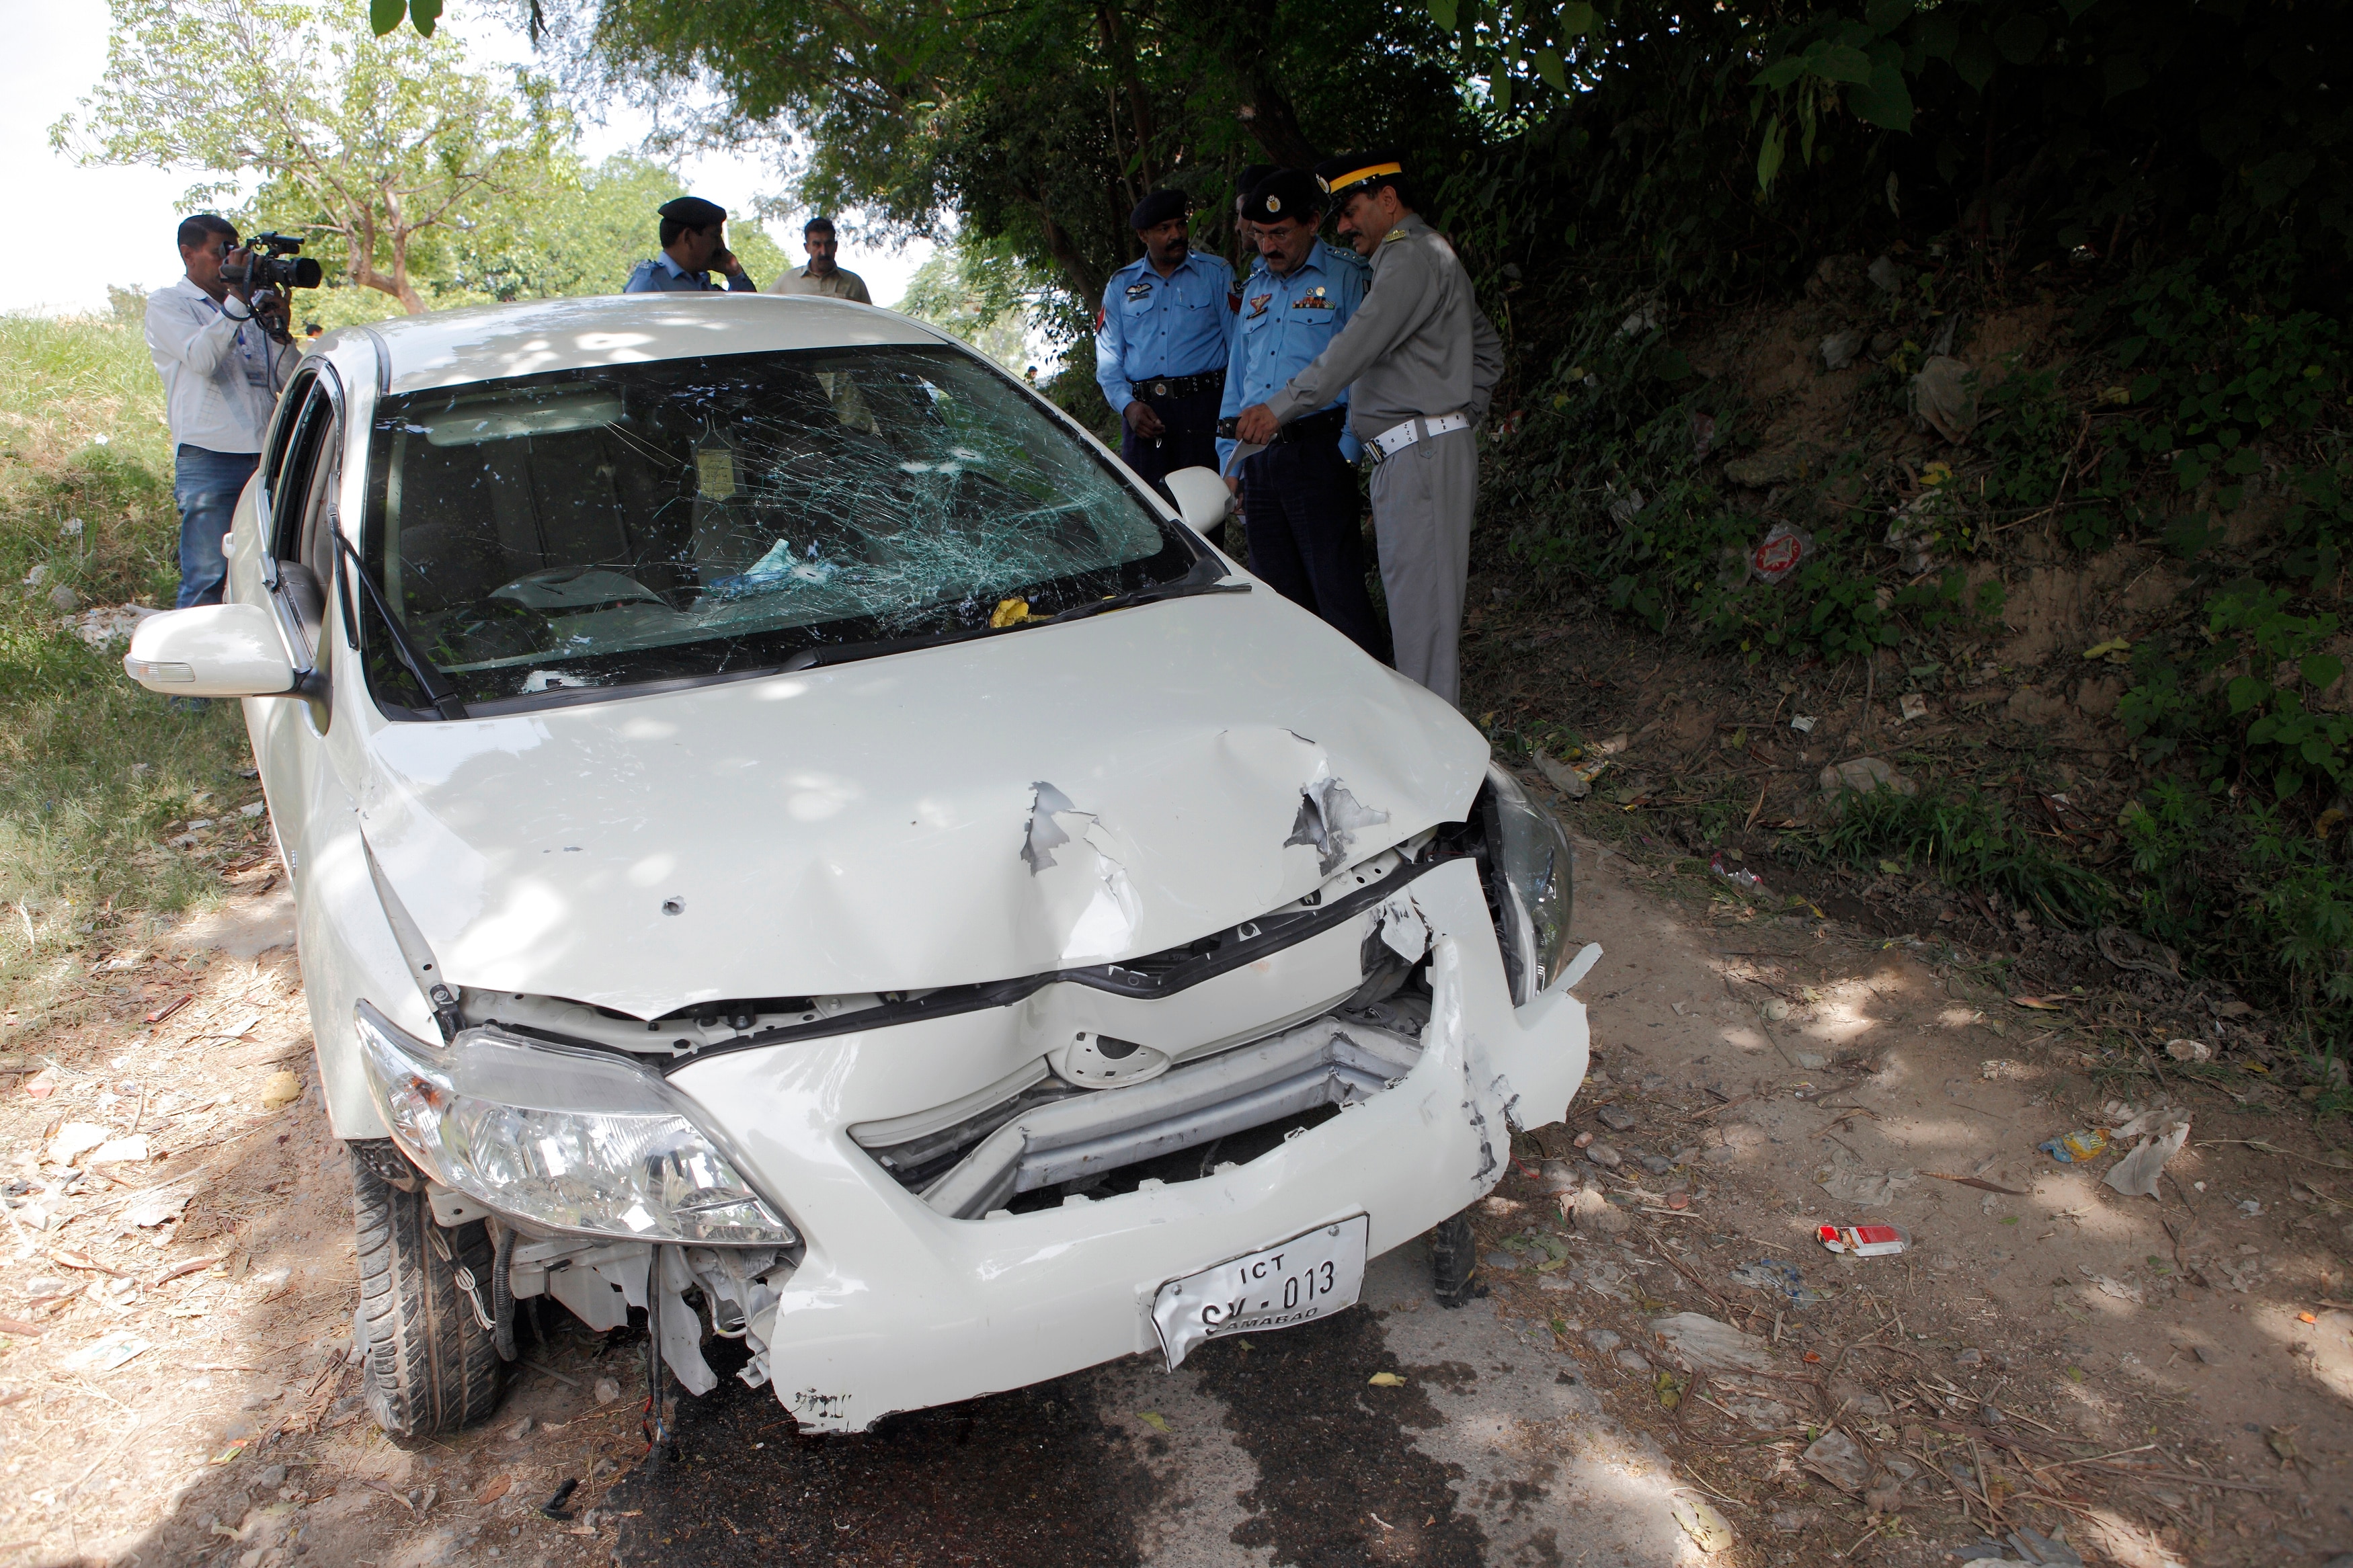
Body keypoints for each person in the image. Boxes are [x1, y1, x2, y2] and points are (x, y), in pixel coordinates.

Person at [1233, 151, 1502, 708]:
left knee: (1419, 628)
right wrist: (1458, 419)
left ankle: (1432, 773)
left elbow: (1350, 352)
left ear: (1387, 199)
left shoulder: (1408, 259)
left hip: (1419, 453)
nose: (1345, 225)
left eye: (1352, 211)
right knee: (1419, 616)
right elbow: (1488, 351)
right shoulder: (1424, 256)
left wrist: (1278, 407)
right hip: (1419, 452)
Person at [1214, 169, 1382, 659]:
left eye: (1281, 233)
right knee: (1282, 602)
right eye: (1261, 235)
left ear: (1313, 222)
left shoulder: (1347, 277)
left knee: (1338, 593)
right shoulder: (1256, 289)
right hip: (1260, 462)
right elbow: (1237, 380)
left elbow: (1362, 370)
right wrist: (1231, 463)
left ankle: (1370, 711)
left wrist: (1346, 454)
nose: (1268, 246)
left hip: (1318, 454)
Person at [145, 214, 301, 612]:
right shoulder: (169, 304)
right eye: (220, 253)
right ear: (188, 253)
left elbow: (288, 376)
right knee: (208, 576)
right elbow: (202, 359)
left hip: (266, 456)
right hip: (210, 456)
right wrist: (236, 300)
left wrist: (278, 328)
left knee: (276, 571)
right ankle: (195, 666)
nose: (230, 262)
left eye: (235, 252)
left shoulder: (247, 307)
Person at [1094, 189, 1238, 499]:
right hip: (1144, 416)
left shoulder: (1216, 274)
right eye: (1164, 229)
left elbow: (1240, 352)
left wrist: (1233, 420)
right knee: (1149, 519)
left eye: (1180, 225)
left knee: (1206, 515)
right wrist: (1128, 406)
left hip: (1204, 411)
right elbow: (1108, 361)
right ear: (1143, 235)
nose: (1176, 235)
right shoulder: (1122, 285)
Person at [624, 197, 758, 293]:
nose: (720, 245)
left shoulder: (701, 282)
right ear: (688, 237)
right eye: (715, 236)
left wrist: (735, 273)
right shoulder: (648, 285)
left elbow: (751, 316)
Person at [767, 216, 872, 303]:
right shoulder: (788, 281)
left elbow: (870, 322)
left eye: (828, 244)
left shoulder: (854, 283)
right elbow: (762, 308)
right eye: (817, 245)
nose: (824, 252)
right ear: (807, 248)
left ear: (835, 246)